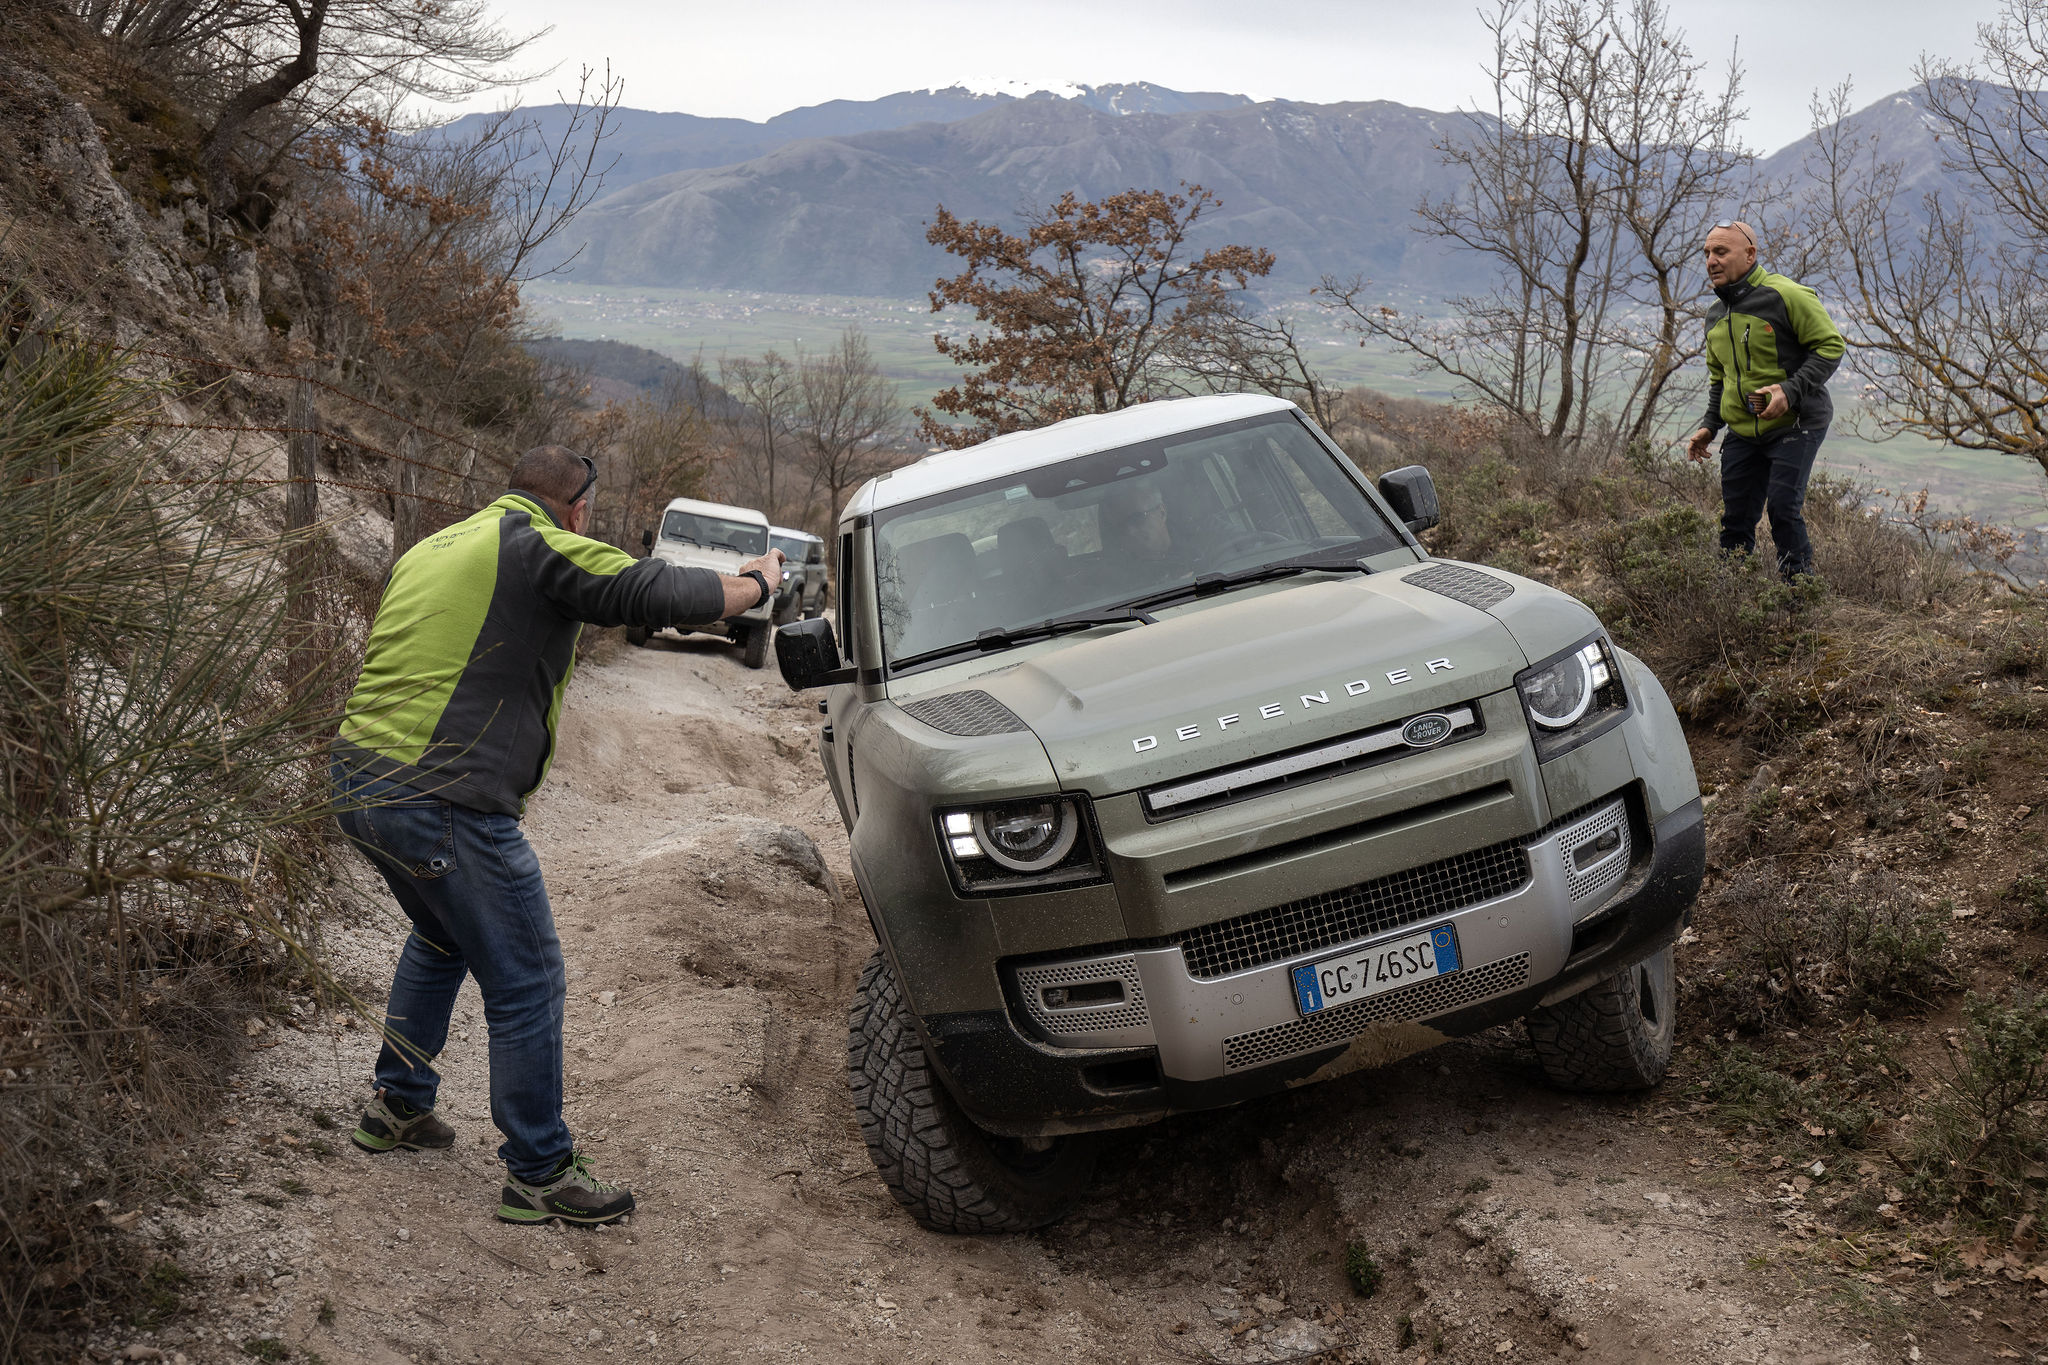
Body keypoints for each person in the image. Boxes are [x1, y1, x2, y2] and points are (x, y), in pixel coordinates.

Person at [329, 446, 784, 1227]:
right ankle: (539, 1170)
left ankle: (397, 1104)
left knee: (442, 941)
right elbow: (649, 587)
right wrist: (756, 584)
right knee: (528, 977)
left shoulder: (435, 545)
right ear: (577, 510)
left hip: (358, 782)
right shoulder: (530, 540)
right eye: (589, 518)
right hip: (447, 798)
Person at [1684, 219, 1846, 579]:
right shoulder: (1715, 316)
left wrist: (1788, 391)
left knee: (1784, 509)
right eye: (1707, 253)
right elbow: (1720, 377)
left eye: (1721, 252)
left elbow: (1831, 346)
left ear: (1750, 254)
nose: (1711, 260)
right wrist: (1710, 426)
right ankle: (1732, 597)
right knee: (1736, 516)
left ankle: (1799, 597)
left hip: (1796, 422)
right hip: (1744, 429)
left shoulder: (1786, 295)